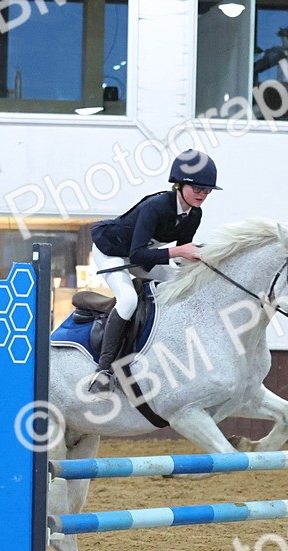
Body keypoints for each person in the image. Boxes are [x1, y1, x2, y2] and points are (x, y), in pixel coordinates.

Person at [87, 149, 221, 393]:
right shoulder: (156, 206)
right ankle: (103, 371)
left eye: (207, 190)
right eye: (198, 189)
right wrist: (179, 253)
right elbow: (140, 254)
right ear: (179, 185)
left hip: (141, 255)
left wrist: (208, 259)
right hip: (112, 251)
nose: (203, 194)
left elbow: (182, 254)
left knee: (183, 285)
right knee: (127, 300)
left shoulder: (194, 214)